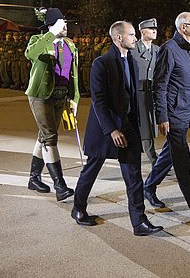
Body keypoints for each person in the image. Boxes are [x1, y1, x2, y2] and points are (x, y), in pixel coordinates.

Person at [71, 21, 163, 236]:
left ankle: (139, 222)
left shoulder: (131, 60)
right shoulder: (102, 63)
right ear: (119, 38)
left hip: (128, 125)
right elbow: (99, 101)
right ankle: (78, 208)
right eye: (131, 35)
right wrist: (112, 129)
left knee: (133, 175)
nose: (135, 38)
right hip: (106, 128)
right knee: (91, 170)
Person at [142, 12, 190, 221]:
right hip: (174, 114)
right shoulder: (169, 49)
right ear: (183, 27)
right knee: (183, 161)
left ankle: (149, 186)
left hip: (186, 109)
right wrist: (162, 117)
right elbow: (160, 86)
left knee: (169, 154)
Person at [24, 8, 78, 201]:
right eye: (62, 22)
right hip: (41, 95)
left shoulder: (70, 45)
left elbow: (74, 75)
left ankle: (34, 178)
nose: (66, 26)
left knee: (44, 136)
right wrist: (51, 35)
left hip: (61, 96)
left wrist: (74, 98)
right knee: (50, 136)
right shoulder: (38, 41)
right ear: (52, 25)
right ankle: (60, 185)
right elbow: (31, 54)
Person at [130, 18, 160, 166]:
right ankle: (152, 157)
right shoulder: (134, 50)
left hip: (153, 92)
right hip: (138, 93)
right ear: (142, 32)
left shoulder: (157, 50)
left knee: (152, 123)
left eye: (155, 29)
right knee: (143, 125)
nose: (154, 31)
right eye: (151, 29)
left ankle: (154, 154)